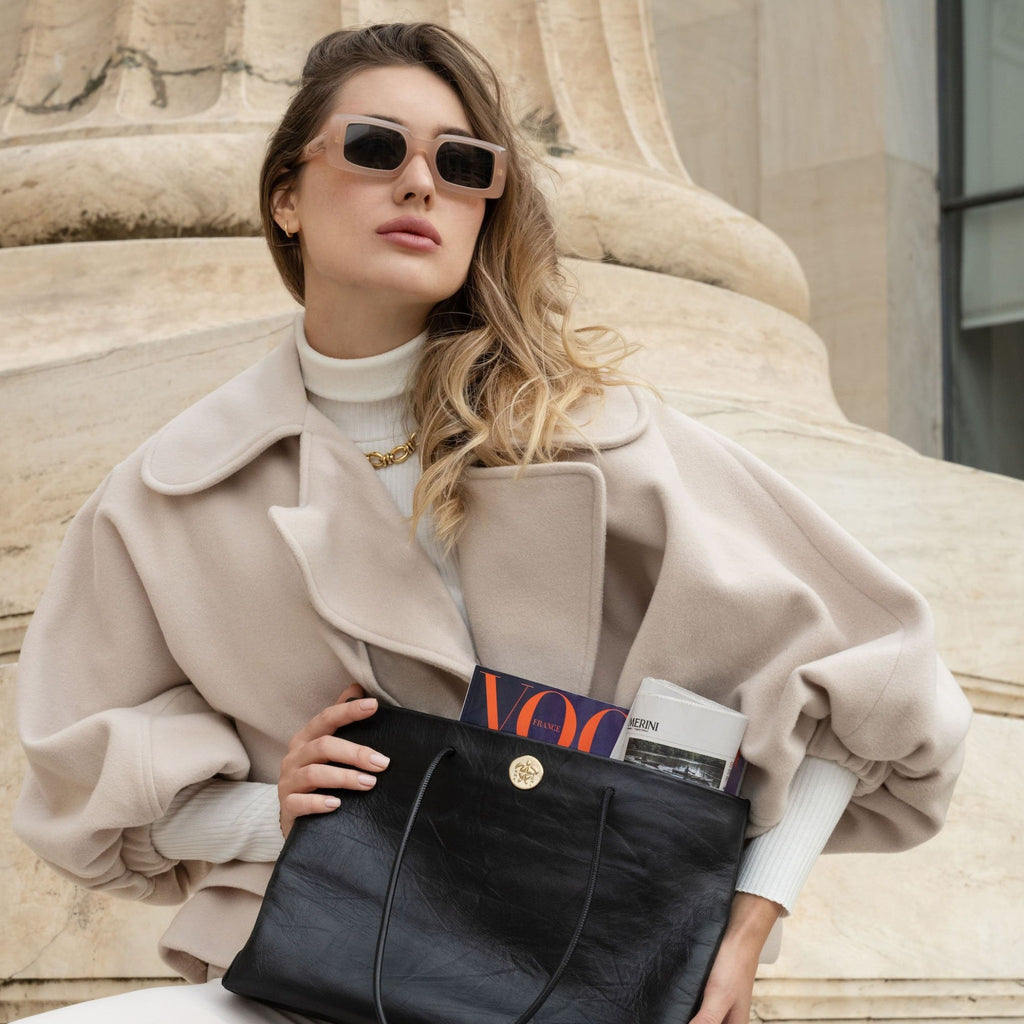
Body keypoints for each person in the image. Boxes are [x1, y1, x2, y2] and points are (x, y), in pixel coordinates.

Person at [13, 21, 971, 1024]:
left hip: (587, 983)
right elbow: (87, 788)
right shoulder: (173, 490)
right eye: (377, 148)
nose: (421, 184)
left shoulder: (602, 440)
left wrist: (746, 928)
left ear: (485, 209)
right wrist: (275, 810)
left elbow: (874, 680)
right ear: (286, 196)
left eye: (463, 164)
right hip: (329, 971)